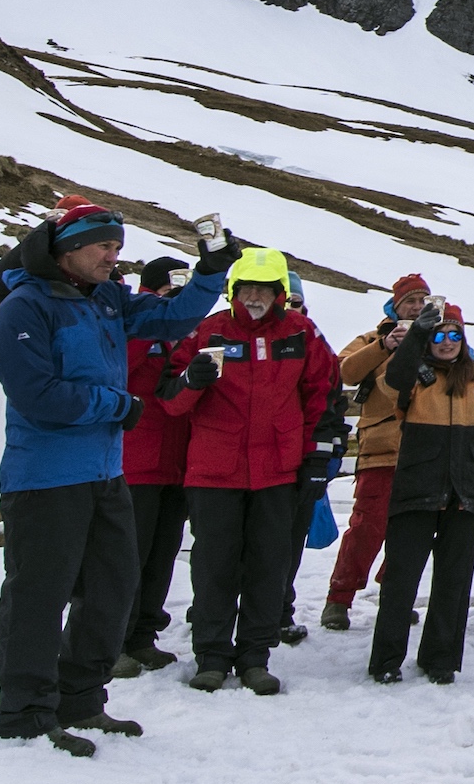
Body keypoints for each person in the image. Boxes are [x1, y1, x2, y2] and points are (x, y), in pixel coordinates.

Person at [0, 205, 240, 748]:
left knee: (113, 590)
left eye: (117, 248)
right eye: (103, 246)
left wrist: (212, 272)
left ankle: (80, 701)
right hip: (44, 478)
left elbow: (172, 318)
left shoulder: (105, 300)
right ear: (66, 248)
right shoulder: (23, 308)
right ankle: (25, 713)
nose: (113, 257)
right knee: (38, 596)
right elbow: (37, 395)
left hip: (104, 474)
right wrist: (117, 406)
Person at [158, 248, 339, 694]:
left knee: (268, 568)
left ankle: (255, 657)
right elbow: (170, 400)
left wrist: (318, 459)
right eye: (247, 288)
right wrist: (191, 381)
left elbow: (325, 395)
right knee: (214, 567)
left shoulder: (302, 333)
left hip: (278, 473)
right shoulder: (210, 331)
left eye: (264, 289)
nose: (255, 297)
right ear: (234, 291)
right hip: (214, 473)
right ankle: (213, 657)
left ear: (280, 293)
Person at [361, 313, 474, 684]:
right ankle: (386, 660)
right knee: (401, 581)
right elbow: (392, 380)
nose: (446, 342)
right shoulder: (413, 378)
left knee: (453, 582)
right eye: (439, 336)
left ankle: (441, 659)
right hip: (417, 491)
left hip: (466, 494)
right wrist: (416, 336)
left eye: (454, 335)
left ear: (463, 339)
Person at [322, 285, 430, 635]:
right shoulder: (373, 337)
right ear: (394, 305)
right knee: (367, 527)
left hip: (425, 452)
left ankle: (395, 595)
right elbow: (341, 372)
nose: (416, 307)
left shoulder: (442, 336)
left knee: (412, 532)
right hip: (381, 449)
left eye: (422, 301)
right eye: (410, 301)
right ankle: (339, 598)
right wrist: (383, 346)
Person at [115, 257, 202, 678]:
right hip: (137, 459)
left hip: (174, 461)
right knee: (125, 557)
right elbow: (118, 370)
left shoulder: (179, 331)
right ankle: (110, 641)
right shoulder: (139, 321)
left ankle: (142, 635)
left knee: (162, 554)